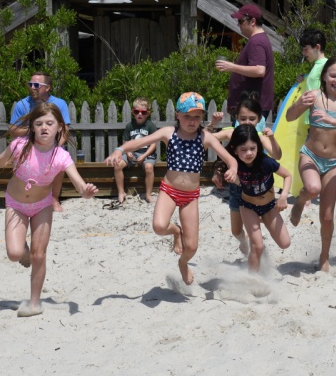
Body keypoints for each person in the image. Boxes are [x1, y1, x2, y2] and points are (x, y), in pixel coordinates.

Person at [0, 102, 98, 317]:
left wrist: (85, 192)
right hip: (16, 204)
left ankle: (34, 303)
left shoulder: (61, 156)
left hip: (43, 206)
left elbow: (79, 184)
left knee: (39, 255)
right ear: (32, 126)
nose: (44, 128)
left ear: (59, 127)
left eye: (49, 123)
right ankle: (23, 251)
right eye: (39, 123)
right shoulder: (20, 145)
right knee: (14, 253)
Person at [104, 92, 238, 285]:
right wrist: (120, 150)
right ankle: (176, 232)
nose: (191, 121)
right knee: (159, 227)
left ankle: (183, 263)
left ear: (202, 117)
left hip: (191, 196)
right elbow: (140, 142)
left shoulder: (205, 137)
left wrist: (232, 168)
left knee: (192, 247)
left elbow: (230, 159)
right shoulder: (169, 133)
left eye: (197, 117)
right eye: (187, 116)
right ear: (177, 115)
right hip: (169, 190)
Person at [285, 56, 336, 272]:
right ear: (324, 76)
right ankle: (300, 202)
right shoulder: (314, 95)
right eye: (333, 75)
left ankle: (324, 256)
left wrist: (331, 120)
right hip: (310, 156)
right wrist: (299, 104)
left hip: (333, 163)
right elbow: (289, 117)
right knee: (312, 188)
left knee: (327, 217)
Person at [208, 94, 280, 255]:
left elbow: (277, 155)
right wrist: (212, 124)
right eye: (243, 118)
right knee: (235, 231)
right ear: (236, 118)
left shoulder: (261, 138)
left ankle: (257, 249)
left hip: (259, 187)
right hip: (237, 187)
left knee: (257, 227)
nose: (247, 122)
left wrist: (273, 138)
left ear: (259, 119)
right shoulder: (231, 133)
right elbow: (203, 140)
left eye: (252, 119)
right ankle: (244, 242)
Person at [227, 125, 292, 272]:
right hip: (248, 207)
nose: (249, 153)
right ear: (235, 150)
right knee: (258, 246)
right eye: (243, 149)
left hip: (269, 206)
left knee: (285, 243)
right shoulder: (235, 165)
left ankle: (260, 224)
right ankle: (253, 278)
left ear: (258, 147)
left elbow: (287, 175)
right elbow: (224, 168)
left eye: (253, 148)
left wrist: (283, 196)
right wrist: (221, 174)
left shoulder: (266, 161)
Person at [10, 72, 71, 212]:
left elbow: (64, 130)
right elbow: (13, 129)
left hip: (52, 145)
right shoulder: (22, 104)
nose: (32, 87)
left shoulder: (59, 103)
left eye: (36, 85)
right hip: (27, 146)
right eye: (30, 84)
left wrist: (54, 149)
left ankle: (54, 198)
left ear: (47, 87)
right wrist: (34, 130)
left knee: (59, 164)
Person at [217, 4, 275, 118]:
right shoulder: (259, 39)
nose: (238, 25)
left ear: (253, 21)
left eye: (241, 21)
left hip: (251, 108)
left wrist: (232, 67)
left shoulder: (256, 42)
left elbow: (259, 70)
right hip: (250, 106)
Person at [113, 97, 158, 205]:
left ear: (148, 113)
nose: (140, 114)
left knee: (149, 167)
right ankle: (121, 192)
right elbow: (126, 142)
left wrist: (144, 155)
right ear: (133, 112)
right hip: (132, 153)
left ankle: (148, 194)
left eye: (143, 112)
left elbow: (153, 145)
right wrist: (127, 152)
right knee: (117, 165)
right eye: (137, 111)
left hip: (147, 153)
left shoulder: (151, 126)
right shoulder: (130, 126)